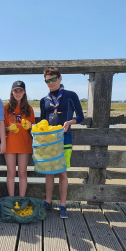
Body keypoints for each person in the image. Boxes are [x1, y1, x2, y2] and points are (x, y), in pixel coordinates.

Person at [40, 67, 84, 218]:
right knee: (49, 173)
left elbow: (81, 117)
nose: (50, 83)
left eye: (53, 79)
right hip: (49, 143)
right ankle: (48, 202)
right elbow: (42, 121)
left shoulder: (71, 95)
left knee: (63, 173)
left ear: (60, 78)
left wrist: (70, 122)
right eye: (47, 80)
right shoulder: (43, 100)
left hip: (65, 139)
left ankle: (63, 204)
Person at [4, 81, 35, 197]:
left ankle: (22, 198)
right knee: (11, 173)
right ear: (12, 92)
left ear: (24, 92)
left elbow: (34, 128)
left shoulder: (29, 109)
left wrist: (30, 126)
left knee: (22, 173)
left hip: (24, 144)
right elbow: (1, 126)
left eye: (20, 91)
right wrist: (8, 128)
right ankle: (11, 198)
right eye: (15, 91)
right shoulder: (5, 108)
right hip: (10, 145)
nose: (18, 93)